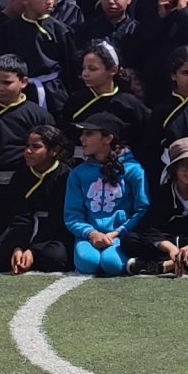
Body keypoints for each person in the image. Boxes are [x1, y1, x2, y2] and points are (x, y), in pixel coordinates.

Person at [64, 112, 148, 277]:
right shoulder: (78, 174)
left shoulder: (134, 170)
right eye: (82, 133)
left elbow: (142, 209)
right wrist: (91, 233)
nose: (82, 138)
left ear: (108, 138)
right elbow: (72, 215)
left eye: (89, 133)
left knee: (112, 264)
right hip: (88, 236)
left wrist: (117, 233)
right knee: (88, 262)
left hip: (120, 235)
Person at [126, 138, 188, 277]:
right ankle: (184, 263)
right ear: (174, 168)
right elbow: (148, 225)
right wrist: (170, 248)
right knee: (130, 240)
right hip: (171, 240)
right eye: (184, 165)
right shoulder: (164, 191)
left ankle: (165, 265)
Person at [0, 125, 75, 275]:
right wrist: (18, 246)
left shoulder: (66, 176)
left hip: (54, 229)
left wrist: (33, 250)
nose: (28, 151)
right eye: (27, 146)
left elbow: (57, 218)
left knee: (54, 259)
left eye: (36, 147)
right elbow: (19, 215)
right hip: (26, 228)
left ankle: (33, 257)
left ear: (54, 150)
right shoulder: (20, 175)